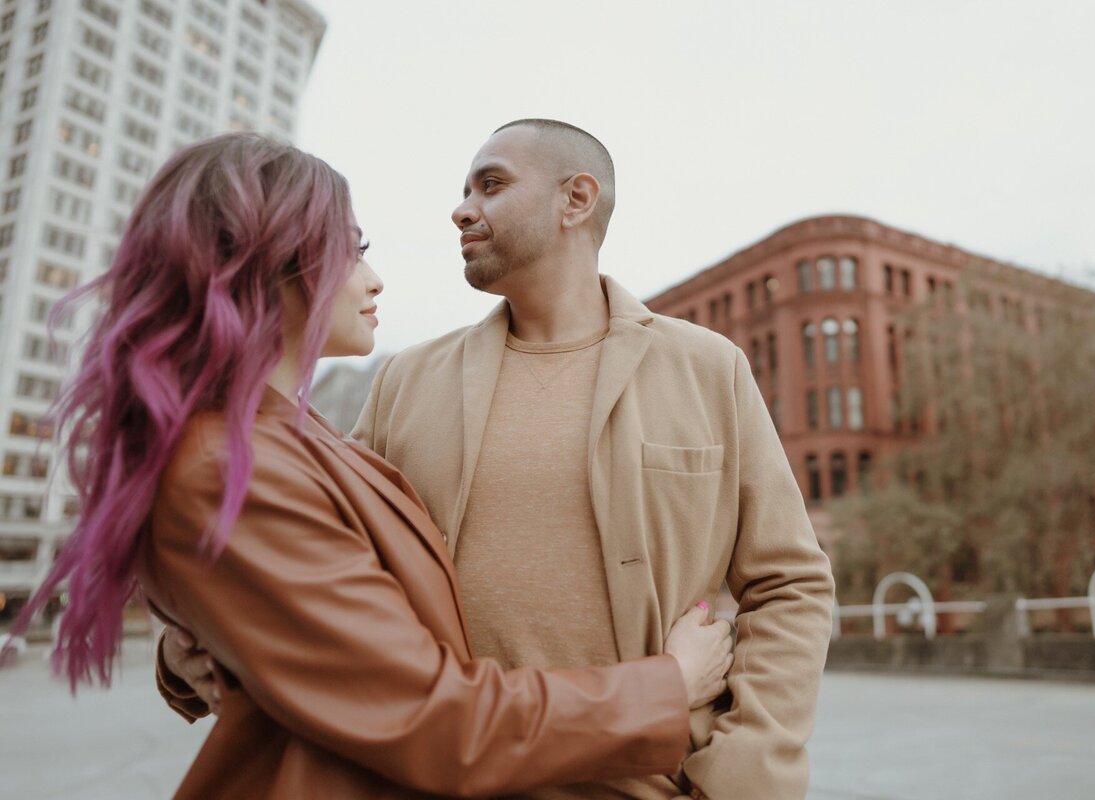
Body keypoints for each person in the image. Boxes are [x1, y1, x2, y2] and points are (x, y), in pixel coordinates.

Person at [5, 133, 737, 799]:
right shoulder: (225, 463)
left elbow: (334, 605)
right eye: (353, 250)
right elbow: (430, 716)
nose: (376, 278)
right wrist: (668, 686)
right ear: (267, 259)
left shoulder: (297, 435)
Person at [164, 120, 836, 798]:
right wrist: (196, 640)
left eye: (491, 185)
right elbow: (314, 565)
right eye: (462, 191)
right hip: (438, 778)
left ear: (577, 200)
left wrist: (743, 779)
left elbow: (789, 586)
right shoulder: (406, 379)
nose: (460, 208)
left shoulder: (707, 368)